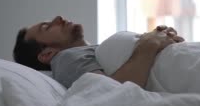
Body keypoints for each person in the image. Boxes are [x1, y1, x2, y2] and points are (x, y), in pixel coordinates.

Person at [13, 15, 184, 88]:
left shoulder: (93, 52)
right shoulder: (66, 59)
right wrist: (150, 45)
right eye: (47, 27)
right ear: (47, 54)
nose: (58, 18)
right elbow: (111, 94)